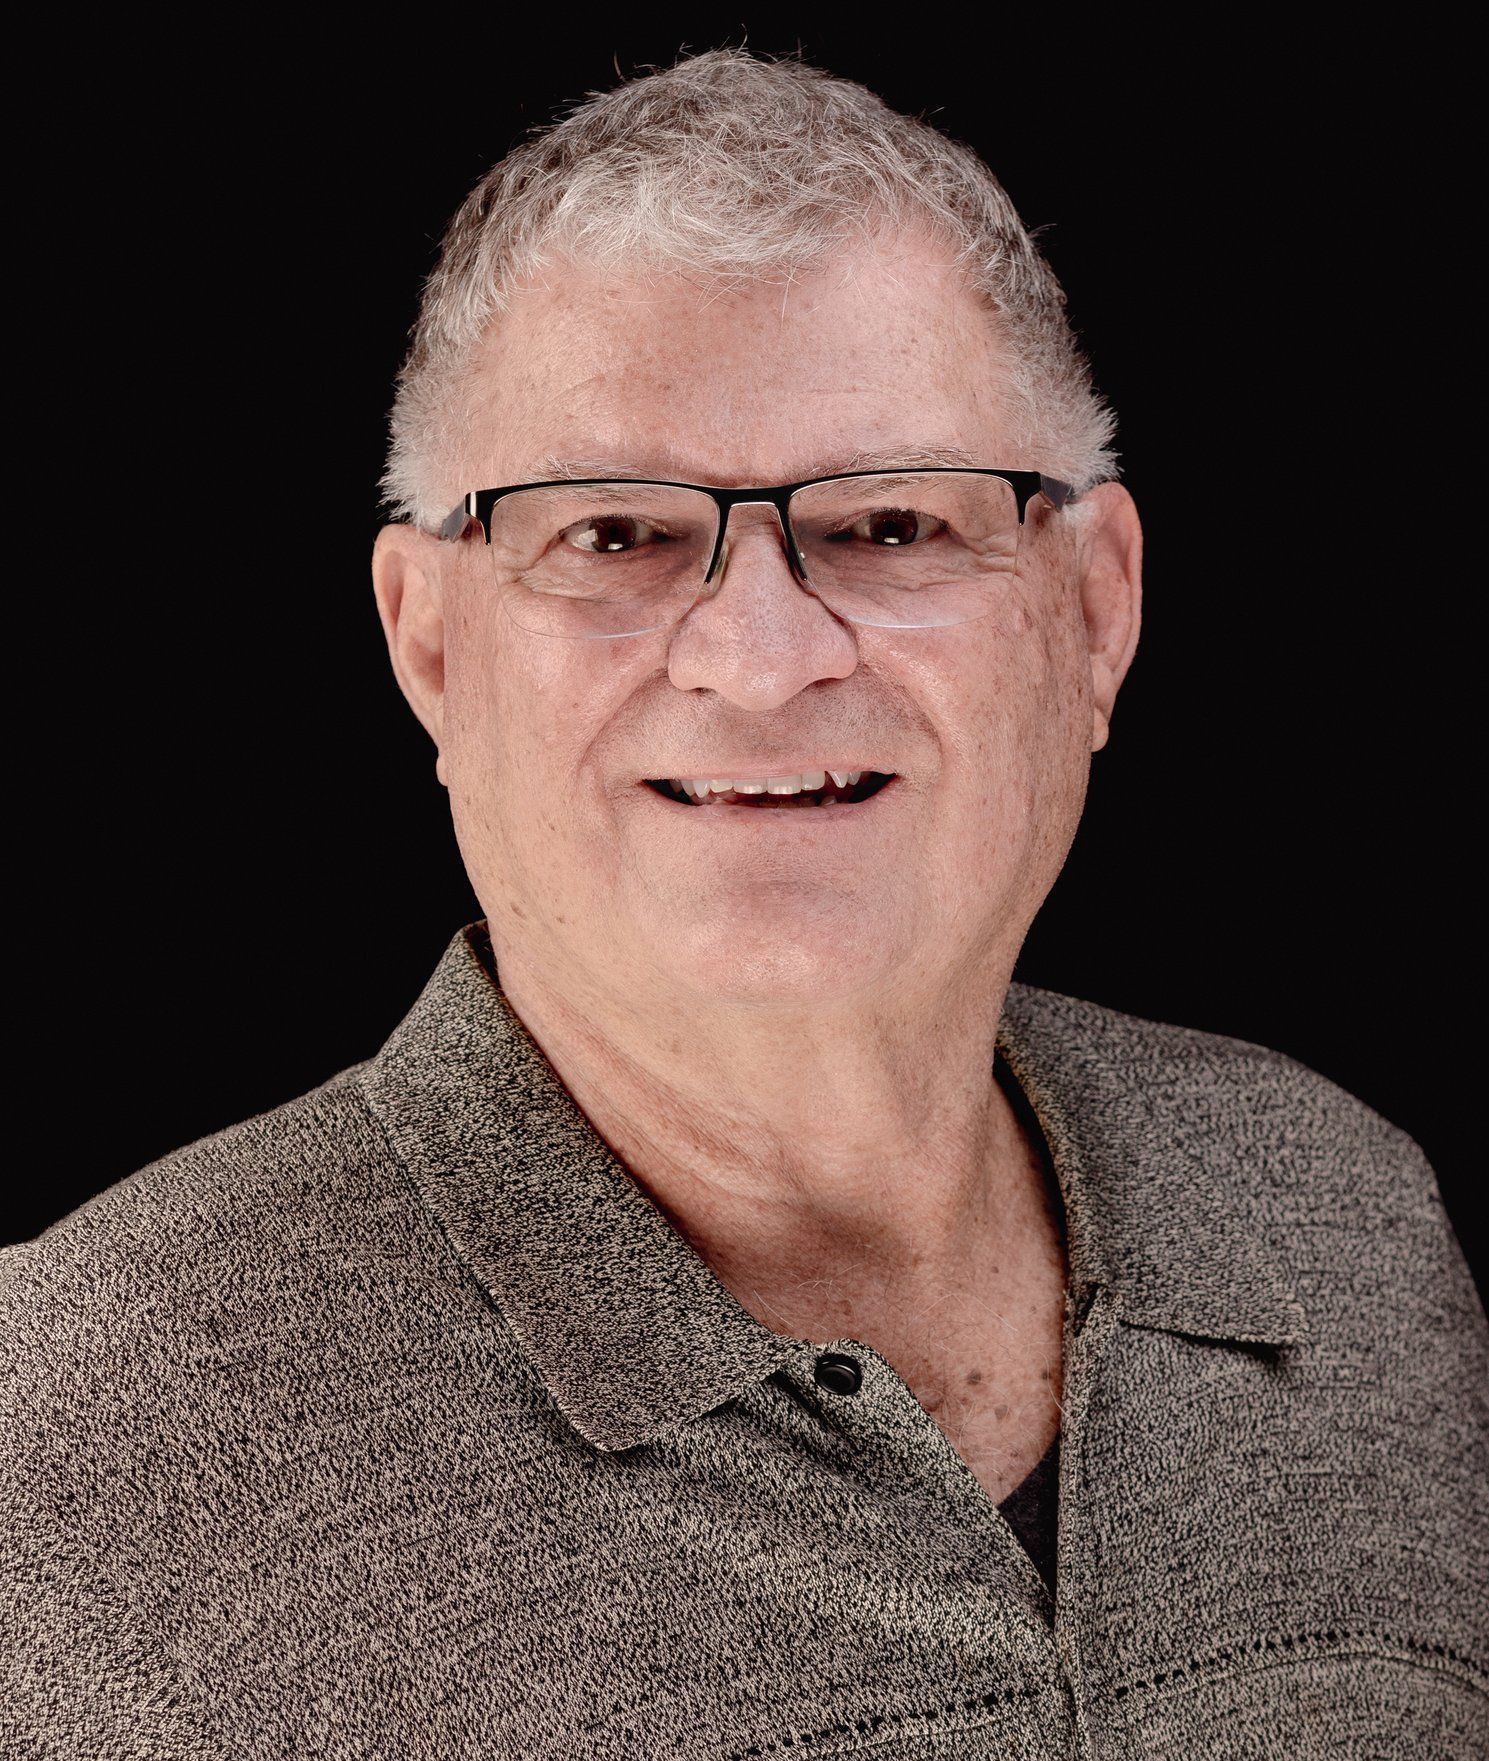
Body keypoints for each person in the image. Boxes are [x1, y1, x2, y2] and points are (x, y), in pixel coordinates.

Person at [4, 46, 1484, 1761]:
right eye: (617, 535)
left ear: (1092, 611)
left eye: (890, 522)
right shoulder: (84, 1434)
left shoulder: (1339, 1221)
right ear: (427, 642)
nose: (762, 655)